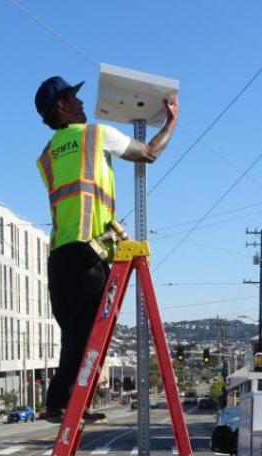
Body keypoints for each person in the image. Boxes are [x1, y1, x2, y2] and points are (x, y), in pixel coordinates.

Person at [34, 75, 178, 422]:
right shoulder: (96, 135)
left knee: (74, 335)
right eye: (75, 98)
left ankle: (64, 404)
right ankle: (64, 406)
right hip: (88, 254)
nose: (83, 103)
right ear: (61, 105)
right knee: (87, 335)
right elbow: (149, 153)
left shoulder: (46, 156)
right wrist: (172, 121)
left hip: (58, 258)